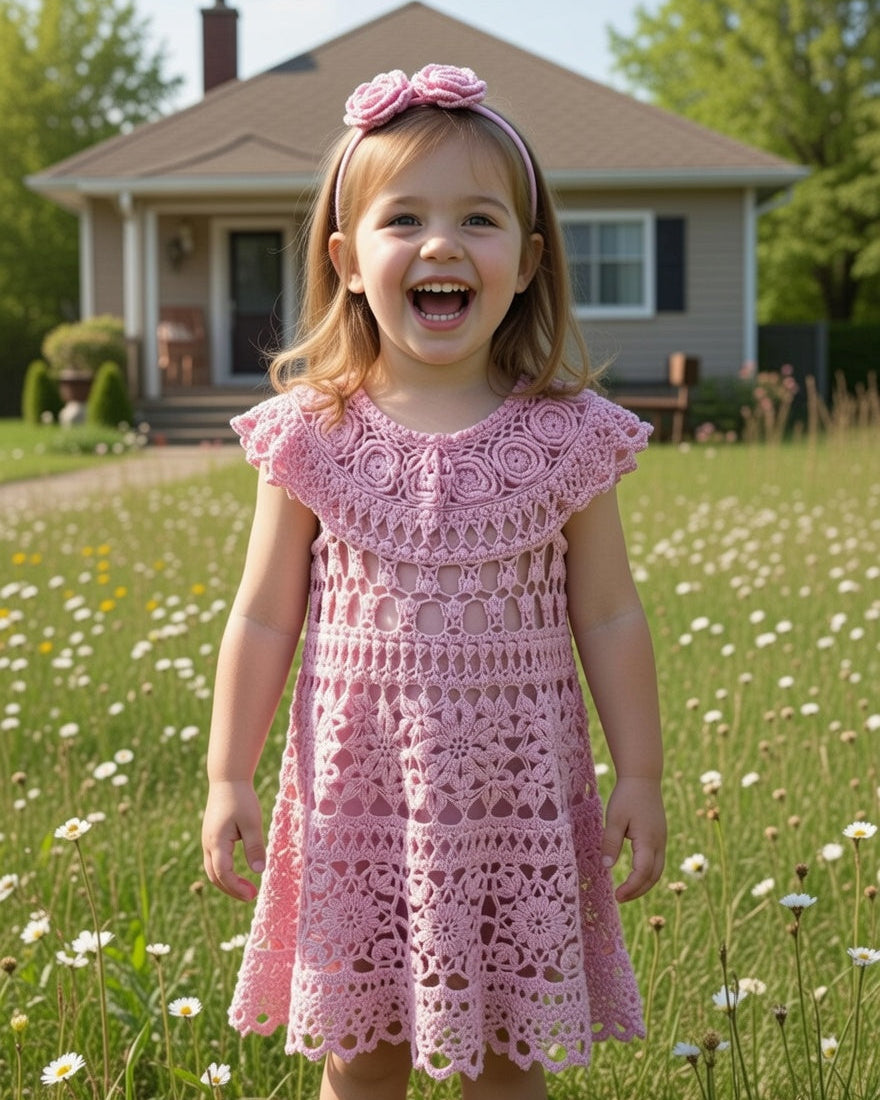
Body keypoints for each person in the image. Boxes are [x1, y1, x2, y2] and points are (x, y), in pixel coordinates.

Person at [202, 63, 665, 1100]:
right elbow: (265, 613)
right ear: (348, 260)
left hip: (517, 812)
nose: (441, 243)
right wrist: (228, 768)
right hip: (359, 806)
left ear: (529, 259)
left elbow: (608, 610)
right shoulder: (311, 435)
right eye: (402, 217)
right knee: (359, 1057)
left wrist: (641, 772)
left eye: (478, 220)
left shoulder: (568, 437)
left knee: (510, 1060)